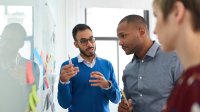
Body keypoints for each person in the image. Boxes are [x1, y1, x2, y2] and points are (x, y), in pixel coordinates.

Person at [117, 15, 183, 112]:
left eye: (123, 36)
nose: (120, 42)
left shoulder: (174, 59)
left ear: (142, 31)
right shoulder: (128, 70)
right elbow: (128, 103)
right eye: (119, 37)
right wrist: (124, 109)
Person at [57, 24, 121, 112]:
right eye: (83, 41)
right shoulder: (68, 67)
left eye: (91, 39)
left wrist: (107, 85)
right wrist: (63, 82)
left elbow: (116, 99)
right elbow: (64, 104)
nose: (89, 44)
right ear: (76, 44)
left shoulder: (107, 65)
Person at [153, 0, 200, 112]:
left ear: (177, 12)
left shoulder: (194, 85)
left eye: (156, 16)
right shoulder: (188, 78)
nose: (154, 31)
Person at [0, 23, 40, 112]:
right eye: (3, 38)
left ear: (21, 44)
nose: (4, 44)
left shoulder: (31, 67)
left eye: (10, 41)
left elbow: (33, 105)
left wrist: (27, 84)